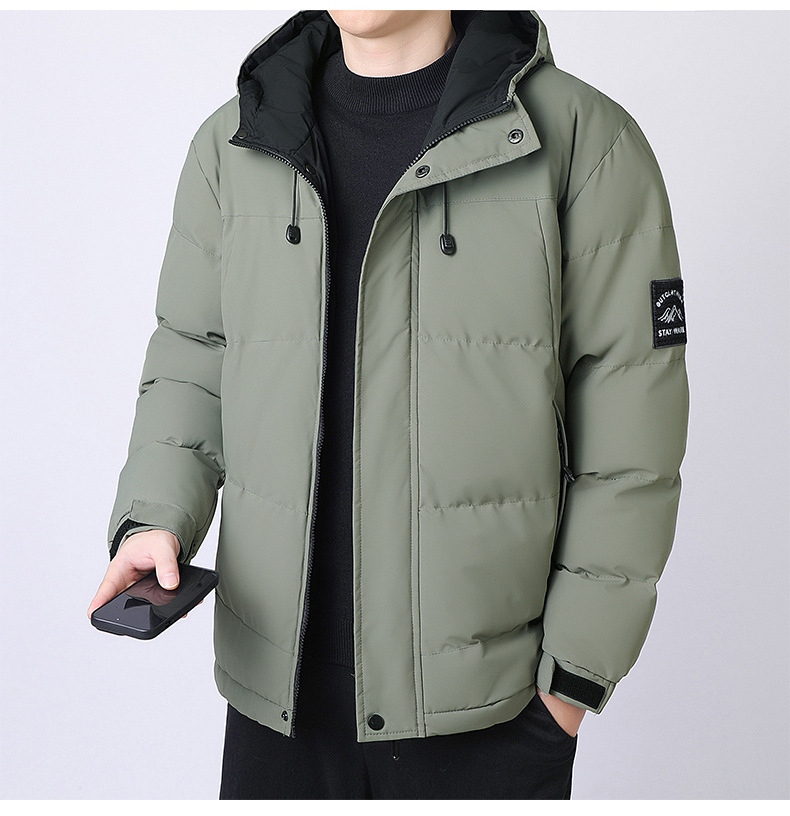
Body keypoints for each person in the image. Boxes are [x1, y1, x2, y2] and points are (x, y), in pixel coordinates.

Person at [88, 9, 689, 799]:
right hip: (278, 703)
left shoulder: (581, 141)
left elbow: (632, 429)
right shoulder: (235, 143)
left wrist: (570, 684)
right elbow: (193, 359)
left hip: (488, 714)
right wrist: (155, 518)